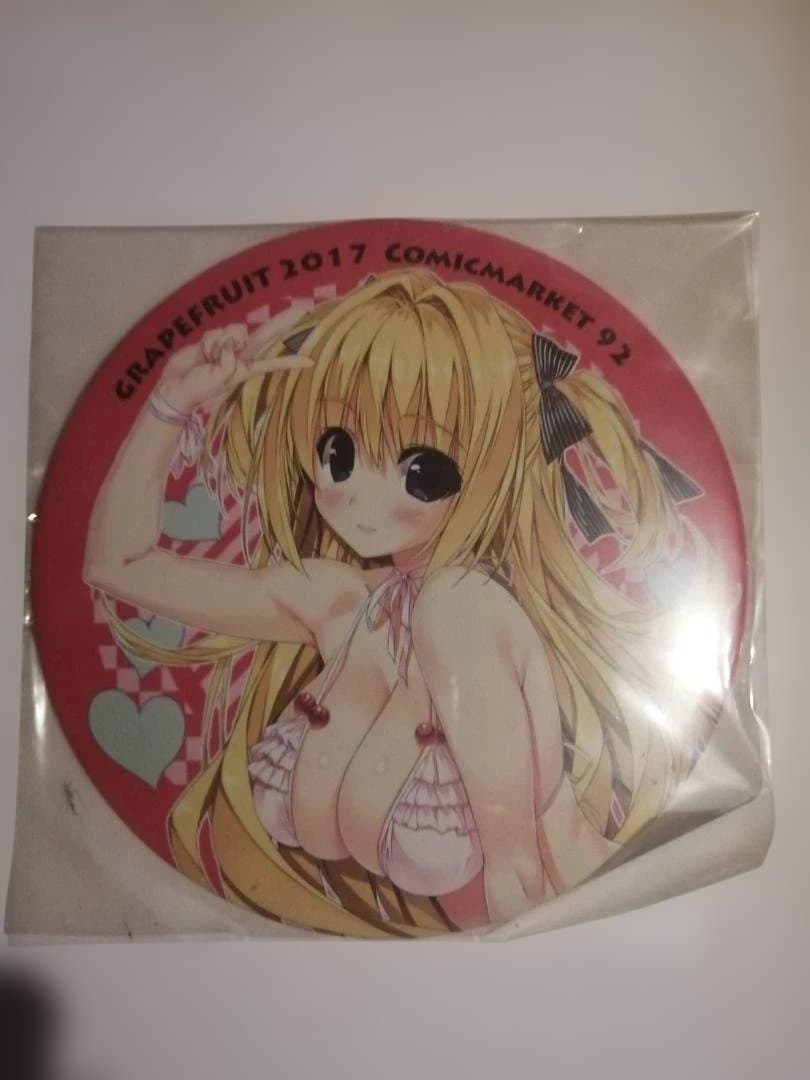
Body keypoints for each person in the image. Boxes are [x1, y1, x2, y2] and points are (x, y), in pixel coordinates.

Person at [84, 270, 709, 937]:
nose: (360, 495)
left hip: (578, 942)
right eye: (339, 453)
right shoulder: (341, 603)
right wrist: (169, 405)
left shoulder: (462, 611)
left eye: (419, 470)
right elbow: (118, 566)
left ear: (493, 467)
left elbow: (520, 877)